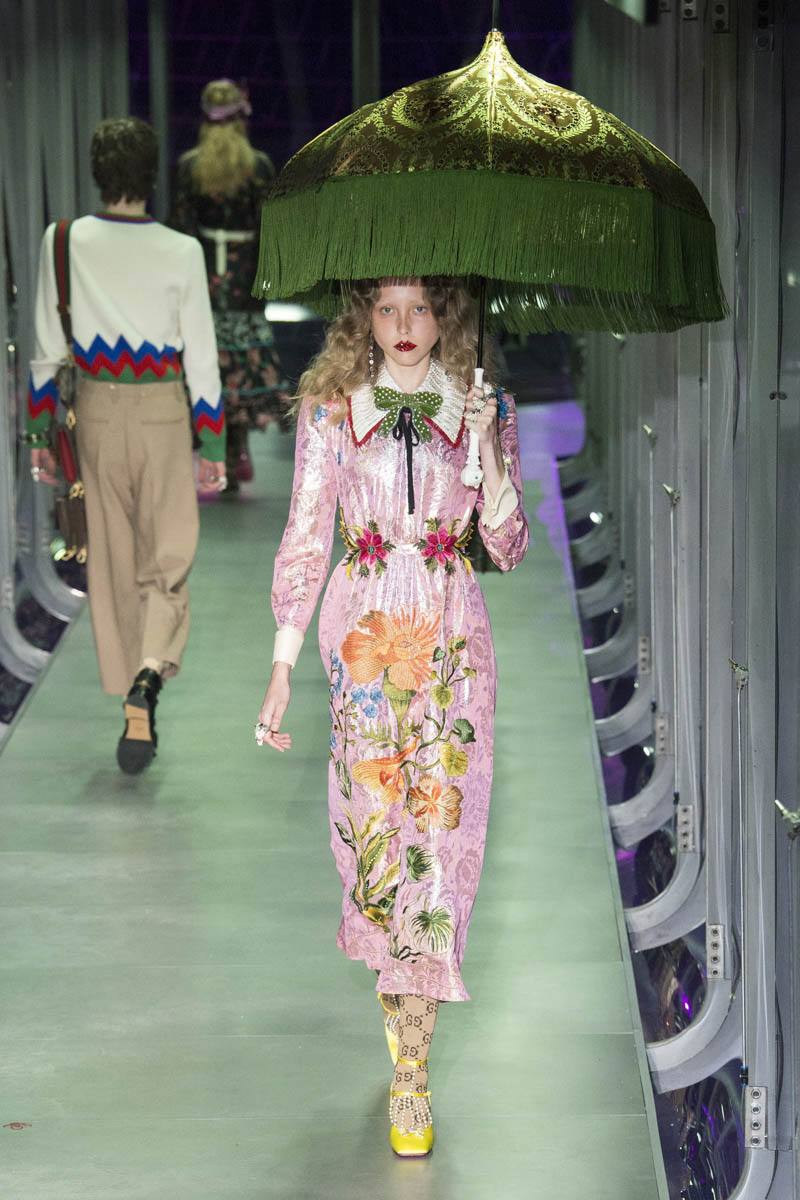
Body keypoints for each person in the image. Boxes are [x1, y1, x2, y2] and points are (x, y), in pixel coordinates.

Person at [255, 277, 529, 1156]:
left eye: (421, 308)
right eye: (387, 309)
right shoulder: (332, 411)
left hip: (453, 638)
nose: (405, 327)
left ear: (447, 311)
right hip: (364, 634)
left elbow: (509, 546)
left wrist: (487, 451)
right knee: (373, 829)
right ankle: (394, 972)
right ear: (362, 317)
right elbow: (307, 536)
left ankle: (413, 1066)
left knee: (440, 835)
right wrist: (281, 666)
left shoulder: (483, 406)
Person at [26, 116, 226, 774]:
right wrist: (212, 446)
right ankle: (148, 672)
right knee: (167, 556)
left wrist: (39, 433)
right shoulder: (182, 250)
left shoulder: (62, 242)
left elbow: (45, 352)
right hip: (164, 408)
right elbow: (201, 359)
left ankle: (129, 692)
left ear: (96, 172)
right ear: (152, 174)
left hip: (97, 411)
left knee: (112, 559)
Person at [170, 79, 291, 492]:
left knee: (204, 360)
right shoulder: (259, 166)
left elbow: (181, 228)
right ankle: (237, 449)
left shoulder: (190, 166)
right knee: (239, 364)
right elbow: (269, 229)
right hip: (245, 278)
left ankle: (209, 447)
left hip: (203, 276)